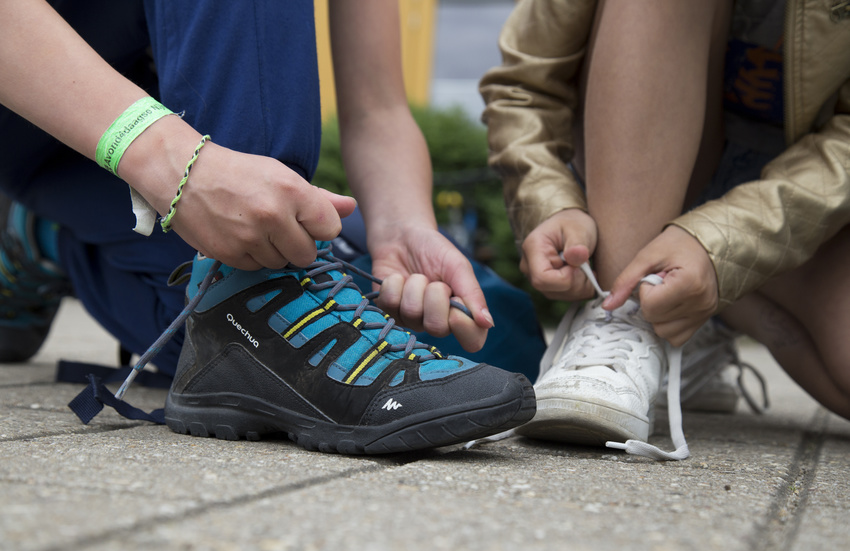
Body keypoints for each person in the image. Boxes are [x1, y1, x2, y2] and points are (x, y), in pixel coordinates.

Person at [0, 0, 537, 454]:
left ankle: (50, 235)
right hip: (35, 98)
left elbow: (377, 108)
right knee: (263, 328)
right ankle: (250, 281)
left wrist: (404, 228)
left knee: (497, 346)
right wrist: (176, 161)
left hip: (185, 126)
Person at [479, 0, 850, 458]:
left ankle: (703, 314)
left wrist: (721, 246)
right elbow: (522, 86)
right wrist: (551, 204)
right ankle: (626, 316)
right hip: (628, 176)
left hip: (798, 198)